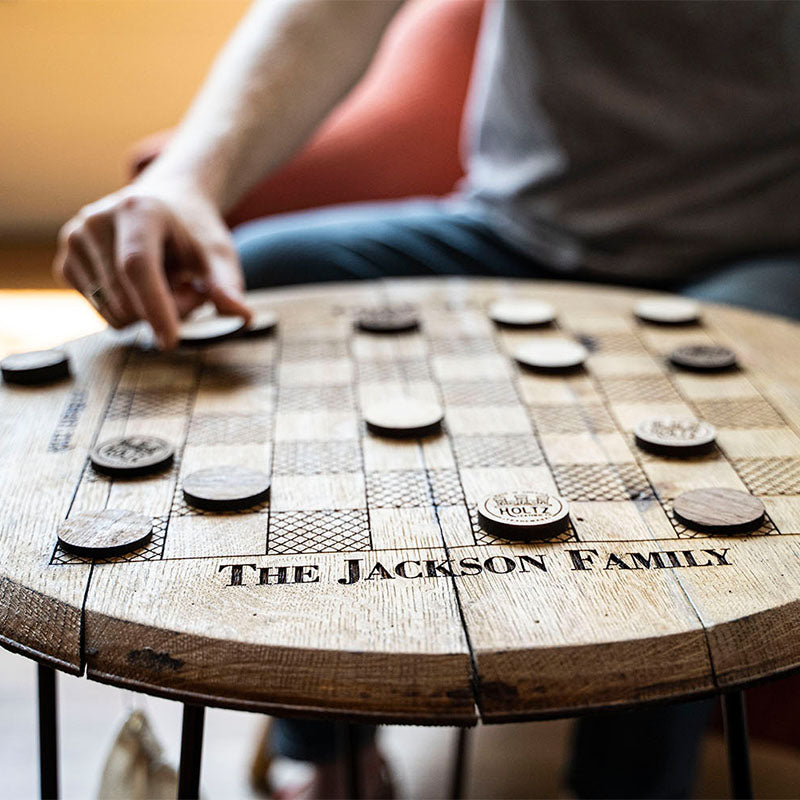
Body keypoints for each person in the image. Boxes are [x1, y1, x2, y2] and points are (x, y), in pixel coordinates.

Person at [53, 1, 800, 797]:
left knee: (692, 458)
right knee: (260, 289)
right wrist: (186, 179)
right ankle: (332, 754)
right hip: (515, 231)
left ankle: (632, 784)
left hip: (755, 252)